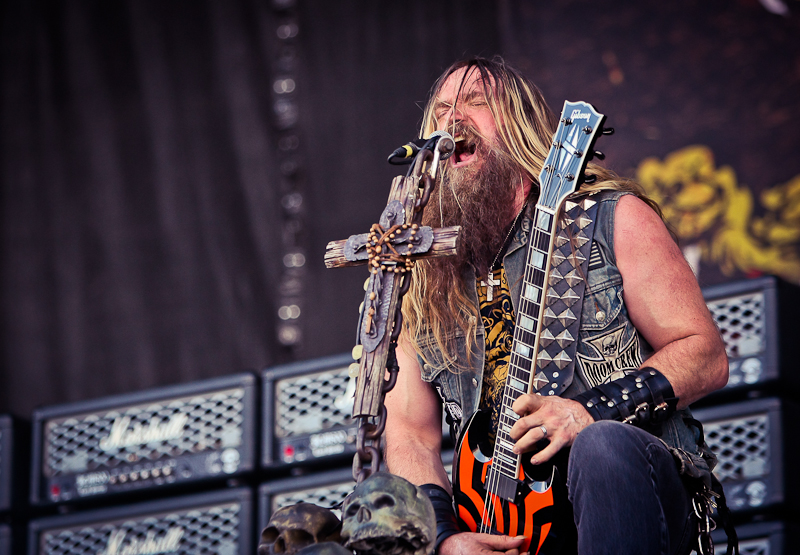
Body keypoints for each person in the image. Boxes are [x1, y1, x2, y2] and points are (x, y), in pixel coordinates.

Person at [383, 56, 729, 555]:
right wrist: (443, 537)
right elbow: (410, 432)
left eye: (476, 102)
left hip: (631, 493)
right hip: (502, 519)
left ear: (520, 124)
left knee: (601, 447)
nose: (453, 119)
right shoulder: (426, 275)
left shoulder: (613, 220)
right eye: (440, 111)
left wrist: (589, 412)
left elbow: (705, 355)